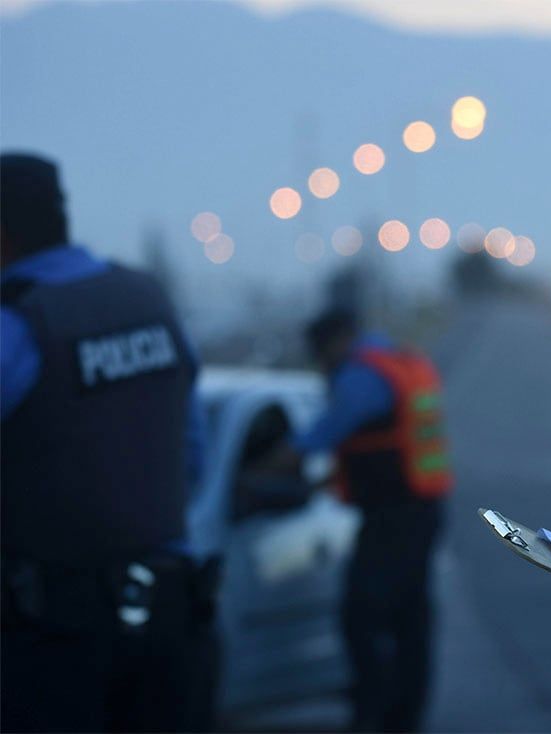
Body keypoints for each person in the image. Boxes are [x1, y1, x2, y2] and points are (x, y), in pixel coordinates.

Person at [0, 152, 215, 731]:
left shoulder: (18, 324)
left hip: (54, 636)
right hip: (168, 619)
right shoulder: (148, 300)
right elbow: (191, 453)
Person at [267, 308, 451, 732]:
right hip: (421, 508)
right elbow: (386, 442)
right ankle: (403, 718)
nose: (323, 368)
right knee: (410, 621)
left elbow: (316, 438)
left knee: (360, 615)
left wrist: (262, 471)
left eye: (322, 356)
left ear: (336, 342)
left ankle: (372, 715)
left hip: (394, 520)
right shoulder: (403, 363)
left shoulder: (361, 378)